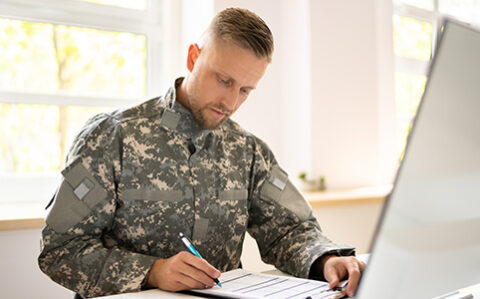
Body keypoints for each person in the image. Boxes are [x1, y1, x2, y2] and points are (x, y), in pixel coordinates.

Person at [38, 7, 365, 298]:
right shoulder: (112, 137)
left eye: (245, 90)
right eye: (224, 80)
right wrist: (151, 271)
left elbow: (290, 231)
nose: (231, 102)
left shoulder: (248, 151)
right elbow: (60, 250)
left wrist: (326, 259)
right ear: (193, 57)